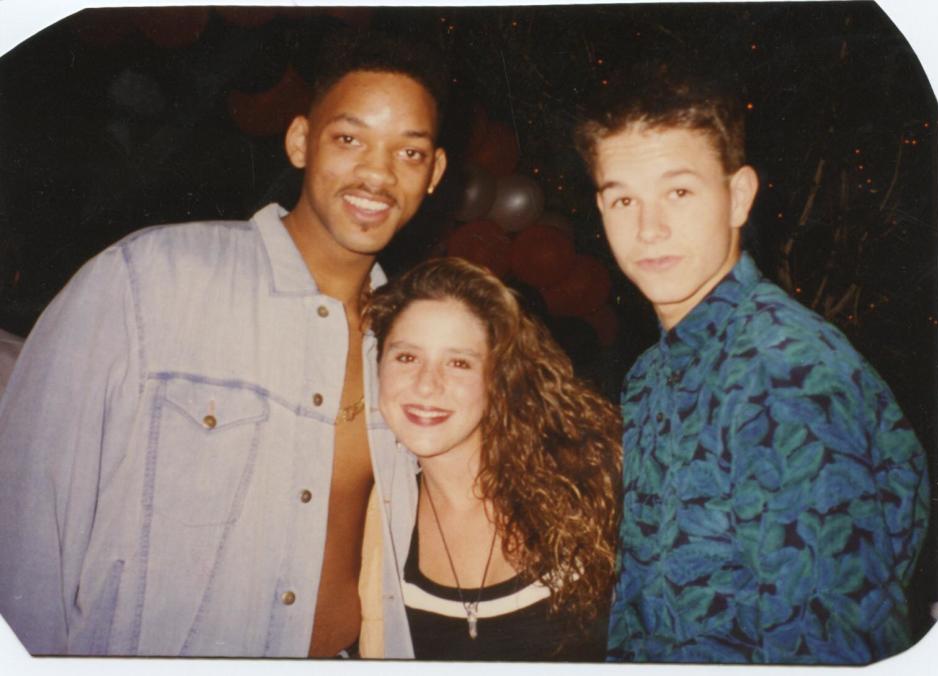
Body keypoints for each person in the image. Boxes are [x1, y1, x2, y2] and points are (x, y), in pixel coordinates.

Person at [0, 34, 447, 657]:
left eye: (409, 152)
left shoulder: (411, 353)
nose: (377, 172)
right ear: (299, 142)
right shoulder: (151, 276)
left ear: (434, 174)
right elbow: (23, 520)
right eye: (349, 139)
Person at [574, 61, 930, 664]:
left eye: (679, 192)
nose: (649, 228)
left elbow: (835, 648)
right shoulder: (650, 374)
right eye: (623, 199)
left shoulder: (787, 376)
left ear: (738, 196)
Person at [364, 256, 622, 660]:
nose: (427, 386)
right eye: (407, 357)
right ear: (377, 367)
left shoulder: (590, 488)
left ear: (499, 377)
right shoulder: (374, 530)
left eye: (459, 363)